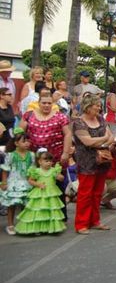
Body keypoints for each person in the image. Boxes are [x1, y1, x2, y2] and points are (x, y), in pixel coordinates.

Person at [19, 92, 72, 220]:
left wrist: (65, 153)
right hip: (35, 159)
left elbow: (68, 134)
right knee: (36, 187)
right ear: (39, 103)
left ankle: (59, 216)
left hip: (56, 158)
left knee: (57, 186)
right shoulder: (29, 115)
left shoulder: (60, 117)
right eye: (44, 103)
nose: (47, 105)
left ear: (53, 104)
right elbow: (20, 134)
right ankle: (38, 217)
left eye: (49, 103)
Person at [72, 94, 114, 234]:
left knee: (97, 193)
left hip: (102, 161)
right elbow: (87, 142)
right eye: (96, 105)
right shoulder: (78, 122)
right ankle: (81, 224)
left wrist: (99, 141)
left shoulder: (101, 119)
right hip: (86, 162)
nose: (99, 107)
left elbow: (111, 138)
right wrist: (103, 139)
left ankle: (95, 221)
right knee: (85, 194)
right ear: (88, 106)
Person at [15, 150, 66, 235]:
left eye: (50, 161)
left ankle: (49, 227)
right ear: (40, 162)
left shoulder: (54, 170)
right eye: (46, 161)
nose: (49, 163)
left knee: (51, 210)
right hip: (40, 193)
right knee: (39, 210)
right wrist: (38, 184)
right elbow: (30, 180)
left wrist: (59, 176)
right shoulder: (37, 171)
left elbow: (61, 178)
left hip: (51, 193)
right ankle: (37, 228)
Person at [0, 129, 35, 235]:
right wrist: (4, 183)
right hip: (14, 183)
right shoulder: (10, 155)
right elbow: (5, 170)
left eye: (28, 141)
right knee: (12, 205)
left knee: (26, 204)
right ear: (16, 143)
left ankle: (24, 223)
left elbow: (32, 171)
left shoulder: (32, 155)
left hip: (27, 182)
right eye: (24, 141)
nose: (27, 143)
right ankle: (10, 225)